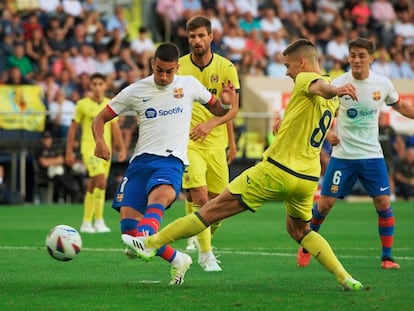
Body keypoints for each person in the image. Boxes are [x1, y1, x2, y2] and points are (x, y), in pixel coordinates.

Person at [122, 39, 364, 291]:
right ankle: (344, 276)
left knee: (210, 210)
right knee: (301, 231)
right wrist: (289, 120)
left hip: (276, 171)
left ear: (301, 62)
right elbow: (318, 114)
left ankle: (150, 244)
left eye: (288, 65)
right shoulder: (329, 95)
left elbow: (321, 88)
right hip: (307, 178)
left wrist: (334, 90)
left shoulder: (308, 79)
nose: (287, 72)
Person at [92, 43, 235, 285]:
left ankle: (148, 238)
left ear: (177, 68)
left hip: (171, 161)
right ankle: (178, 258)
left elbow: (218, 110)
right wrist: (99, 142)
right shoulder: (136, 90)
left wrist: (227, 102)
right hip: (140, 162)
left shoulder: (188, 85)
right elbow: (100, 118)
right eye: (159, 70)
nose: (164, 76)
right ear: (152, 64)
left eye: (169, 71)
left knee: (159, 199)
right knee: (128, 231)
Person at [296, 37, 414, 270]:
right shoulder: (338, 84)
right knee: (326, 204)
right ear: (348, 57)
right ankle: (306, 245)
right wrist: (329, 133)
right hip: (343, 156)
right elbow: (322, 112)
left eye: (361, 55)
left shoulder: (382, 84)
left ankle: (387, 257)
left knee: (382, 202)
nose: (357, 60)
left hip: (372, 155)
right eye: (353, 55)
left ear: (371, 58)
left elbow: (399, 105)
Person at [178, 15, 240, 272]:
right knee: (201, 197)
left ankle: (198, 233)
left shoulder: (226, 68)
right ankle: (206, 255)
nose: (197, 41)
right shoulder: (179, 67)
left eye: (201, 36)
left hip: (217, 144)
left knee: (218, 207)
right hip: (188, 142)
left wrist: (224, 136)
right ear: (188, 38)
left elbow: (232, 110)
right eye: (192, 36)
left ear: (211, 37)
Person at [66, 73, 127, 234]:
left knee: (95, 184)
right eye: (94, 84)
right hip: (89, 149)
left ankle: (87, 222)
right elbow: (73, 129)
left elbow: (115, 128)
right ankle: (99, 220)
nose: (97, 87)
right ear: (90, 86)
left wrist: (122, 149)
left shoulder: (110, 104)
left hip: (105, 150)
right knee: (100, 181)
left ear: (105, 86)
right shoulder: (82, 105)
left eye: (101, 83)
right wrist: (69, 151)